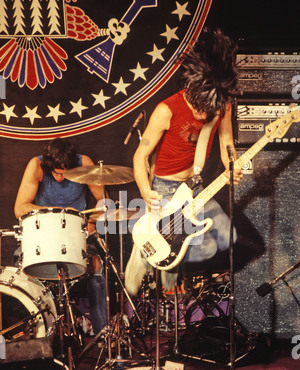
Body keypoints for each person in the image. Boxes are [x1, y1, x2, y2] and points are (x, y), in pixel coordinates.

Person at [125, 28, 243, 295]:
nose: (204, 115)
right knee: (206, 247)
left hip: (196, 186)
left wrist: (232, 165)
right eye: (201, 108)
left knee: (228, 238)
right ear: (193, 90)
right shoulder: (166, 110)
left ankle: (165, 254)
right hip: (166, 189)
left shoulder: (221, 104)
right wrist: (145, 191)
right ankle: (152, 250)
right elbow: (140, 156)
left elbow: (226, 142)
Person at [14, 137, 107, 336]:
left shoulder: (85, 164)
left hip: (77, 236)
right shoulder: (36, 165)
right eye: (55, 173)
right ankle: (41, 333)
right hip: (44, 236)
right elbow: (20, 208)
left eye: (65, 173)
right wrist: (56, 211)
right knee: (19, 260)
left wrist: (91, 224)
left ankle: (102, 334)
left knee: (97, 267)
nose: (59, 178)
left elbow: (103, 201)